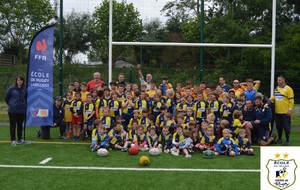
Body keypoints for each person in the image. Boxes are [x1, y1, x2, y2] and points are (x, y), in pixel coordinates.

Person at [270, 75, 294, 146]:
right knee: (278, 127)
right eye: (277, 80)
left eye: (279, 80)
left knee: (286, 127)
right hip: (277, 111)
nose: (278, 81)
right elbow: (275, 97)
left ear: (283, 80)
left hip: (285, 112)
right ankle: (280, 139)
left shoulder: (288, 89)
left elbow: (291, 100)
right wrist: (270, 99)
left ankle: (287, 140)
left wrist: (290, 109)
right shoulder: (277, 88)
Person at [5, 76, 27, 146]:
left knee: (20, 125)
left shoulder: (25, 89)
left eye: (21, 80)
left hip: (22, 110)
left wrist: (24, 105)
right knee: (13, 125)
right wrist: (11, 105)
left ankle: (20, 139)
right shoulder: (11, 88)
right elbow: (6, 98)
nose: (19, 82)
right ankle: (13, 140)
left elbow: (26, 98)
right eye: (18, 80)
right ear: (16, 81)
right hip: (13, 110)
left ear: (23, 81)